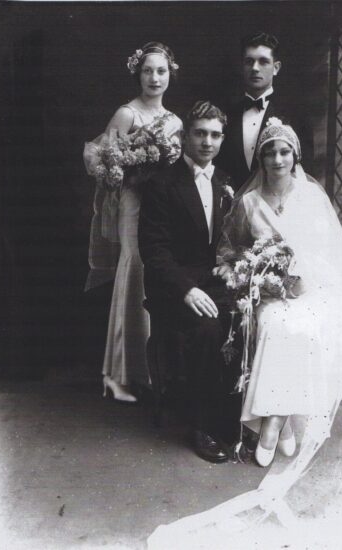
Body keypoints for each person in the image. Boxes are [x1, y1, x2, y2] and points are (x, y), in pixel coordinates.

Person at [147, 118, 342, 549]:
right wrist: (255, 276)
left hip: (311, 291)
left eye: (284, 152)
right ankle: (277, 423)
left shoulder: (313, 198)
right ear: (260, 159)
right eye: (269, 153)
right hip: (269, 296)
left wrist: (304, 280)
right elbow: (229, 251)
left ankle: (276, 423)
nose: (276, 159)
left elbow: (331, 257)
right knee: (278, 325)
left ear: (295, 157)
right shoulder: (248, 202)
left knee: (307, 325)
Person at [83, 43, 182, 402]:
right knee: (133, 271)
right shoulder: (127, 113)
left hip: (162, 209)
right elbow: (102, 160)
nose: (154, 78)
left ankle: (152, 370)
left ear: (170, 74)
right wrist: (130, 166)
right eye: (147, 71)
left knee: (156, 277)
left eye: (161, 71)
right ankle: (117, 374)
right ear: (137, 73)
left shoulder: (175, 122)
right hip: (133, 203)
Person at [138, 101, 235, 463]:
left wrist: (231, 270)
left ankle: (236, 417)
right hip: (173, 288)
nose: (207, 141)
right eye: (200, 133)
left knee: (252, 318)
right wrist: (186, 290)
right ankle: (202, 426)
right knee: (208, 330)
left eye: (214, 135)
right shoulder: (161, 184)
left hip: (214, 282)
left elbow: (229, 242)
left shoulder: (224, 181)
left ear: (222, 139)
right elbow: (154, 250)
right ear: (184, 136)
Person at [217, 31, 312, 190]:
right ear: (242, 66)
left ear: (276, 68)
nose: (255, 68)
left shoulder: (294, 114)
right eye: (249, 61)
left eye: (263, 62)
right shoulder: (226, 115)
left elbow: (306, 166)